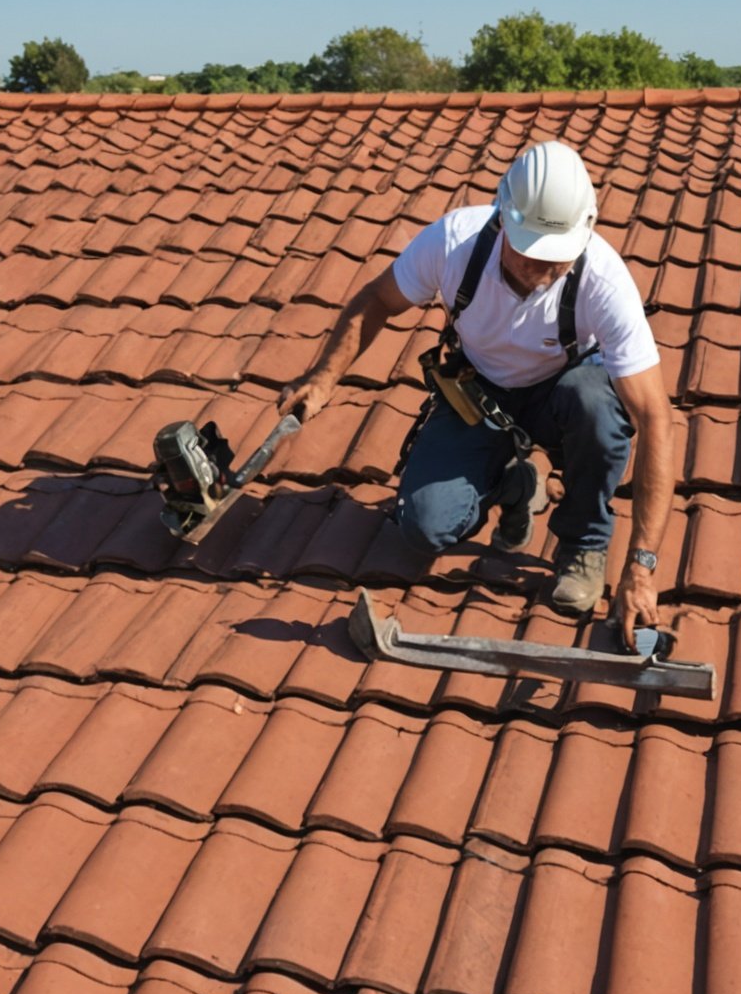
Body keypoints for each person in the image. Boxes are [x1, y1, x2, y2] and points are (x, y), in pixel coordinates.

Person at [276, 140, 673, 638]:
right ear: (502, 219)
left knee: (596, 402)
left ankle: (583, 544)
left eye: (557, 258)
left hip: (561, 393)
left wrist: (641, 567)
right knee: (423, 528)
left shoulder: (604, 281)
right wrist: (322, 378)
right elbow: (378, 299)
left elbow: (656, 420)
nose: (543, 270)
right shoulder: (454, 244)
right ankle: (515, 483)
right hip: (481, 394)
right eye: (531, 254)